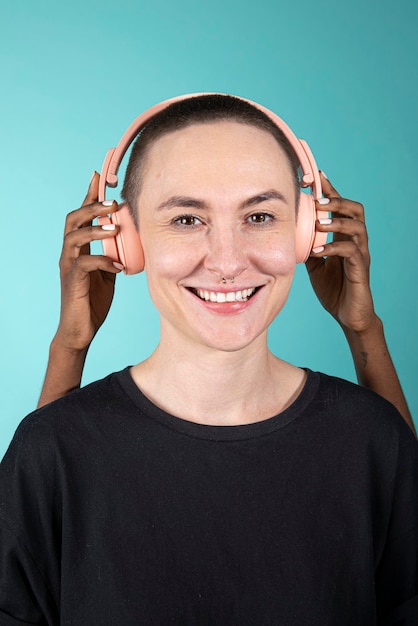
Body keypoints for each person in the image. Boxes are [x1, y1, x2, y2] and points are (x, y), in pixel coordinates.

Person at [0, 94, 417, 624]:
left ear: (308, 230)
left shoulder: (372, 437)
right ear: (122, 239)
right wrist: (70, 345)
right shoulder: (51, 449)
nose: (226, 261)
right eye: (186, 220)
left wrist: (364, 330)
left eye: (260, 216)